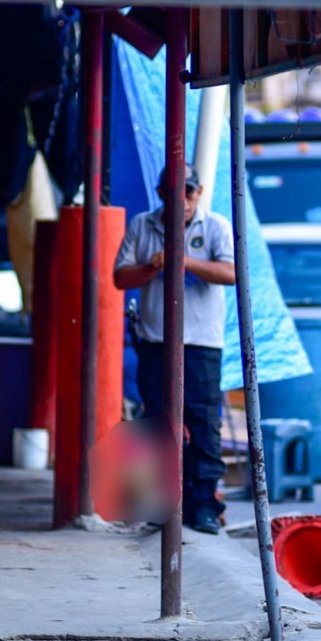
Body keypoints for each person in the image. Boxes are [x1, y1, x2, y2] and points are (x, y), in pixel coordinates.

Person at [113, 164, 235, 535]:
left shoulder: (215, 226)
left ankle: (204, 505)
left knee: (202, 423)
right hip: (155, 339)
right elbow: (120, 277)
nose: (182, 200)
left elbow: (231, 273)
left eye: (189, 192)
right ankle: (162, 500)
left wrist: (183, 260)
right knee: (156, 422)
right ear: (162, 193)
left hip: (200, 342)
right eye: (174, 192)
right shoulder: (143, 226)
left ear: (197, 194)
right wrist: (153, 267)